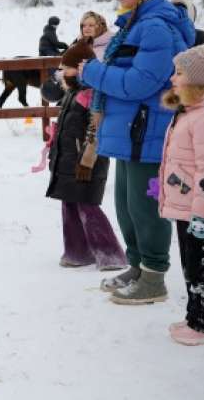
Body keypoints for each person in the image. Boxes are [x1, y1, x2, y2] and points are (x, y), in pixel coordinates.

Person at [79, 0, 196, 304]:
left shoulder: (156, 26)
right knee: (127, 206)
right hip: (130, 131)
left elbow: (139, 84)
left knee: (146, 209)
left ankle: (154, 277)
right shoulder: (133, 24)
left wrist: (90, 71)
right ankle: (137, 265)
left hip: (148, 130)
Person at [46, 39, 126, 270]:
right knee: (69, 204)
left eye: (65, 67)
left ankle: (110, 254)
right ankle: (77, 252)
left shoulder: (92, 94)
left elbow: (95, 130)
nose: (61, 72)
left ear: (79, 68)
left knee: (87, 205)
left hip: (84, 161)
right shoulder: (72, 92)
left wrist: (87, 161)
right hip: (67, 159)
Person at [156, 44, 204, 345]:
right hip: (185, 204)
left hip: (198, 210)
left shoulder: (203, 117)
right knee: (190, 264)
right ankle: (195, 316)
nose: (173, 78)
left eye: (180, 72)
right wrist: (165, 183)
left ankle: (202, 324)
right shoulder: (187, 111)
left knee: (201, 268)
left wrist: (202, 213)